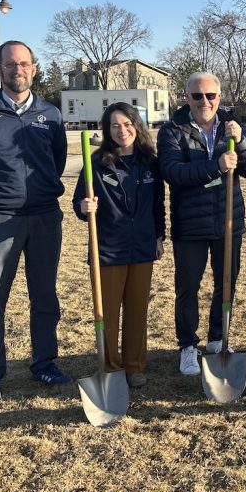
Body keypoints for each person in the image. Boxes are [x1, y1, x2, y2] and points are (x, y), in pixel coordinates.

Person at [0, 40, 70, 407]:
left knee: (45, 295)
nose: (17, 70)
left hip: (44, 216)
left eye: (24, 64)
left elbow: (56, 160)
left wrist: (39, 192)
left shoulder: (50, 114)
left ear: (34, 69)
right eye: (10, 64)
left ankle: (44, 363)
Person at [157, 72, 246, 376]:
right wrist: (215, 166)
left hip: (228, 221)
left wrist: (241, 141)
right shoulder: (172, 130)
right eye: (197, 96)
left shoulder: (232, 125)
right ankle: (188, 345)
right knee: (187, 287)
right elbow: (173, 172)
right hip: (190, 223)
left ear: (219, 97)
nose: (204, 101)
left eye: (210, 96)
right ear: (187, 98)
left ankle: (218, 337)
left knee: (226, 283)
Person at [73, 102, 165, 388]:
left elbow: (158, 204)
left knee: (137, 311)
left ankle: (134, 366)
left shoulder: (150, 162)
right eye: (115, 125)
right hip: (108, 248)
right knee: (108, 313)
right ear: (107, 130)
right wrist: (84, 207)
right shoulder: (96, 163)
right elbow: (78, 202)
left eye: (127, 124)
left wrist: (159, 237)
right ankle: (111, 366)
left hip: (142, 246)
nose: (122, 130)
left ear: (137, 126)